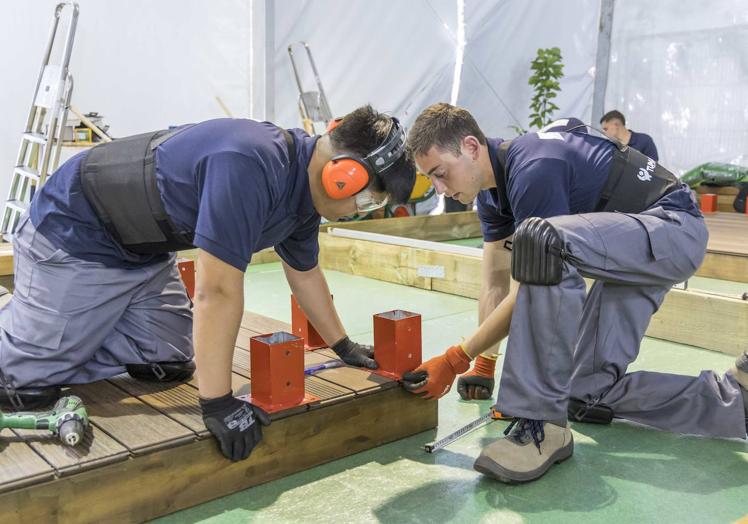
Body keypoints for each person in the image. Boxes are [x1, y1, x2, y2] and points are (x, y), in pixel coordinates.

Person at [0, 105, 415, 461]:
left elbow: (304, 273)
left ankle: (63, 326)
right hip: (76, 233)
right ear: (343, 175)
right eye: (367, 200)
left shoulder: (301, 198)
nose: (362, 212)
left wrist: (342, 345)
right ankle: (31, 332)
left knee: (166, 364)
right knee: (27, 384)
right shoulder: (250, 162)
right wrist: (217, 402)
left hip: (141, 253)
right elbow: (216, 291)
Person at [403, 103, 747, 483]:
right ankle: (734, 399)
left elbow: (533, 283)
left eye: (440, 174)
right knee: (588, 395)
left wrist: (455, 358)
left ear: (470, 146)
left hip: (673, 228)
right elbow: (495, 283)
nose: (439, 188)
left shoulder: (533, 167)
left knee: (542, 243)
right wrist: (483, 366)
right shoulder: (491, 195)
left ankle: (541, 424)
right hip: (631, 248)